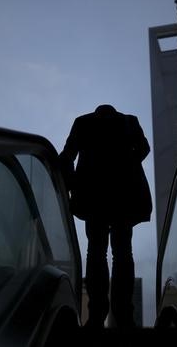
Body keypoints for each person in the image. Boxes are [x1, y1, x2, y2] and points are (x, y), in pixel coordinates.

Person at [59, 104, 151, 329]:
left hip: (93, 197)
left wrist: (73, 185)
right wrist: (126, 164)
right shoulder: (130, 121)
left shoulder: (83, 122)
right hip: (123, 197)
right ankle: (124, 315)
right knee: (123, 253)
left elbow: (66, 156)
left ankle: (97, 314)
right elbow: (144, 149)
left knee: (96, 252)